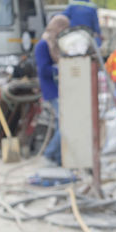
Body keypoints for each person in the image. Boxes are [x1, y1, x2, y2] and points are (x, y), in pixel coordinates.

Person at [35, 15, 70, 166]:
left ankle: (58, 157)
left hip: (58, 89)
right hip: (52, 90)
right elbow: (43, 70)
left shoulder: (54, 44)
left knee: (60, 124)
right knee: (66, 125)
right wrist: (61, 69)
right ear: (59, 27)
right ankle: (49, 155)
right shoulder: (44, 45)